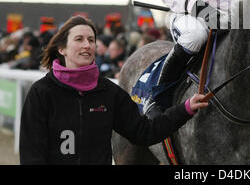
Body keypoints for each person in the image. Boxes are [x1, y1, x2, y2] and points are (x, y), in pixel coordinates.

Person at [19, 16, 208, 165]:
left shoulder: (109, 92)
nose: (87, 45)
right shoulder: (41, 92)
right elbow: (31, 154)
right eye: (79, 39)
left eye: (91, 40)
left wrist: (185, 109)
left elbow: (144, 132)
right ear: (62, 49)